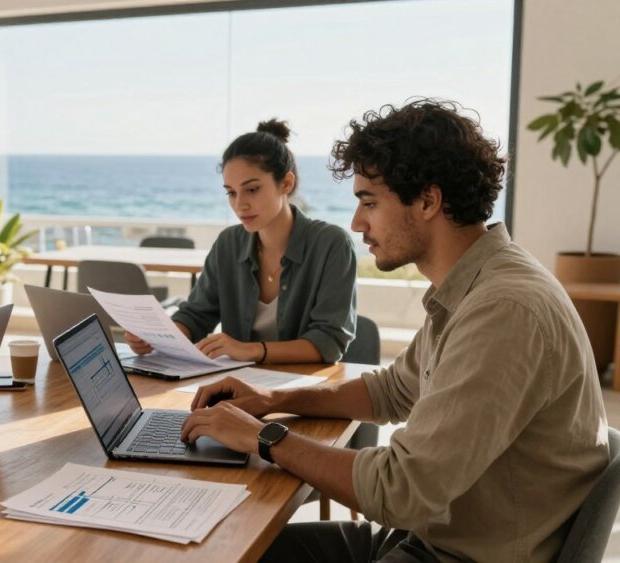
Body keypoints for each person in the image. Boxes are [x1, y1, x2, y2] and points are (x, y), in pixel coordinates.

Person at [178, 100, 609, 561]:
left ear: (428, 200)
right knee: (230, 549)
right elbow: (390, 392)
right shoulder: (473, 284)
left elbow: (398, 491)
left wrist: (263, 438)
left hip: (458, 555)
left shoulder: (503, 310)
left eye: (368, 202)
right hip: (436, 536)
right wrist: (273, 402)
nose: (357, 223)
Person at [125, 119, 356, 364]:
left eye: (252, 189)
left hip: (304, 388)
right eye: (231, 192)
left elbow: (329, 341)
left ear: (286, 183)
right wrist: (159, 338)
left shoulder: (332, 245)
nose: (239, 204)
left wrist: (252, 350)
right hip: (237, 386)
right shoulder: (228, 244)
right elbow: (196, 315)